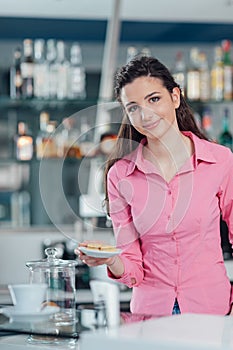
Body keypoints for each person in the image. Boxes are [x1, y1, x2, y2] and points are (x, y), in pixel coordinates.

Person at [75, 56, 233, 316]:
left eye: (154, 99)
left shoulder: (220, 161)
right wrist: (112, 260)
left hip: (211, 310)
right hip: (150, 314)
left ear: (175, 97)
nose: (145, 114)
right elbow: (133, 267)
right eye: (133, 107)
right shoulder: (120, 175)